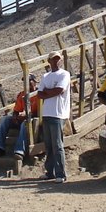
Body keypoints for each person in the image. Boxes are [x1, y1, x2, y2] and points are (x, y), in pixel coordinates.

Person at [36, 51, 71, 183]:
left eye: (58, 58)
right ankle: (50, 172)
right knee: (49, 145)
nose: (56, 61)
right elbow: (40, 94)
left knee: (57, 145)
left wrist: (47, 92)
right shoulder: (46, 76)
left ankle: (61, 173)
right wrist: (51, 92)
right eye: (53, 59)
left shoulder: (64, 74)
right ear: (49, 61)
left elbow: (60, 90)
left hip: (58, 114)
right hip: (47, 113)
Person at [0, 74, 41, 157]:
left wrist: (29, 115)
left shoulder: (39, 94)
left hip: (34, 119)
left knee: (24, 123)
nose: (27, 84)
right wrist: (15, 116)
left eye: (29, 81)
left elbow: (41, 111)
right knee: (5, 119)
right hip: (23, 117)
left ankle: (19, 150)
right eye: (25, 82)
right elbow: (16, 110)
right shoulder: (22, 94)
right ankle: (0, 147)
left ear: (34, 82)